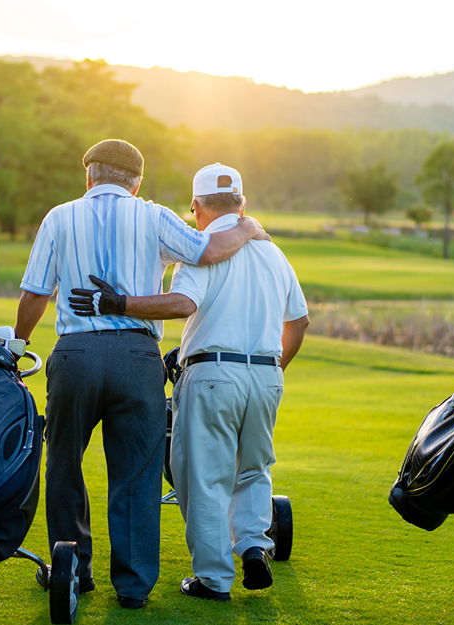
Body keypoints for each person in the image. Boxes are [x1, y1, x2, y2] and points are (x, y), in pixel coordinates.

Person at [14, 140, 269, 610]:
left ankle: (73, 569)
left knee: (65, 462)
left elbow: (35, 292)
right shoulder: (153, 216)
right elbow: (210, 250)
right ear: (137, 182)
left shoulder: (59, 216)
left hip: (75, 356)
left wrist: (18, 345)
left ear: (88, 176)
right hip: (137, 358)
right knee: (136, 472)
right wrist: (249, 226)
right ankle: (132, 587)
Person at [69, 163, 309, 602]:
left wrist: (117, 303)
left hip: (212, 374)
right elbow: (299, 321)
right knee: (254, 468)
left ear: (196, 207)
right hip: (267, 375)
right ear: (242, 203)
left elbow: (182, 304)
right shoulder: (275, 254)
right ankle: (254, 544)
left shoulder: (202, 251)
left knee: (202, 479)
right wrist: (276, 371)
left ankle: (214, 580)